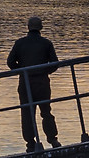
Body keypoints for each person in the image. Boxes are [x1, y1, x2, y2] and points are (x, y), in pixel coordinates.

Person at [6, 16, 61, 151]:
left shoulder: (19, 43)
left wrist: (22, 71)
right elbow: (55, 63)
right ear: (41, 28)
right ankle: (53, 139)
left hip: (25, 83)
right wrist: (44, 71)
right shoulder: (46, 43)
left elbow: (10, 62)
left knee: (27, 113)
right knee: (46, 111)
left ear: (28, 27)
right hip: (42, 82)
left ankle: (30, 143)